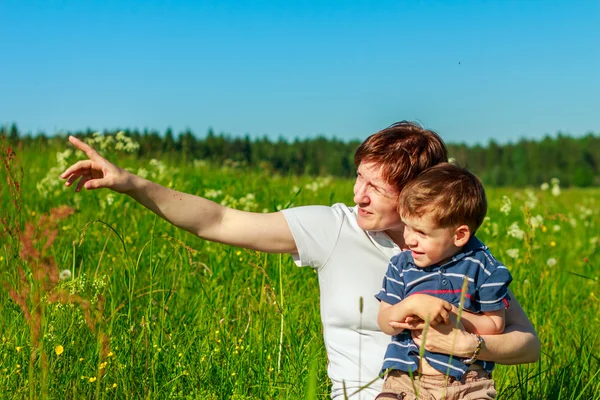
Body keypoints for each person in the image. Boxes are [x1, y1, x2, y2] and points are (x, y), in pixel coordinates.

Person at [60, 121, 539, 399]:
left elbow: (527, 344)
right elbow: (221, 221)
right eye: (358, 178)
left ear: (417, 190)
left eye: (375, 186)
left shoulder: (456, 251)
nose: (359, 196)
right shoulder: (333, 227)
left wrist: (468, 346)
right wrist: (132, 184)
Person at [376, 163, 511, 400]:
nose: (409, 239)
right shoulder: (401, 265)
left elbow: (495, 325)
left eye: (422, 233)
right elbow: (386, 322)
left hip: (468, 381)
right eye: (407, 226)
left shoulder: (484, 267)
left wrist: (448, 314)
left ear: (459, 235)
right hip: (407, 377)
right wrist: (411, 304)